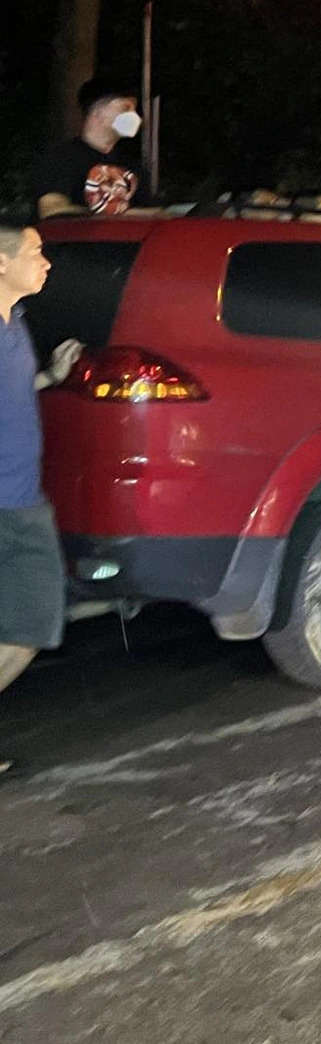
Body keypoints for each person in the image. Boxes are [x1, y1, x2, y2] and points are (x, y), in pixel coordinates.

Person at [0, 226, 83, 773]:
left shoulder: (18, 324)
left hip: (22, 500)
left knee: (28, 624)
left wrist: (51, 375)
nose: (45, 262)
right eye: (34, 252)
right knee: (30, 619)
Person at [31, 78, 143, 219]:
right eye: (125, 108)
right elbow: (52, 210)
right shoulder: (61, 158)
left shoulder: (132, 166)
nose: (134, 116)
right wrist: (111, 211)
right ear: (97, 113)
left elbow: (149, 212)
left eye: (134, 109)